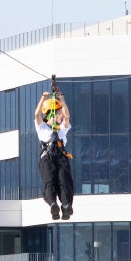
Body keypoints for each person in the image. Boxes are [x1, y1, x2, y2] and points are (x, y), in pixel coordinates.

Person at [34, 90, 76, 220]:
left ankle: (66, 205)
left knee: (64, 180)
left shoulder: (62, 129)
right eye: (59, 114)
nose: (61, 117)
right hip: (47, 156)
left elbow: (67, 116)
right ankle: (53, 204)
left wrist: (61, 99)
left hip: (61, 156)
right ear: (50, 114)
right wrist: (43, 98)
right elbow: (37, 114)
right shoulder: (42, 127)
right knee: (50, 180)